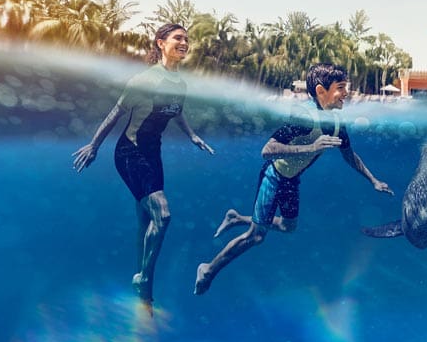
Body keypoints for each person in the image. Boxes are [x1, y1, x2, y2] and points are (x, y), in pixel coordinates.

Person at [194, 62, 393, 295]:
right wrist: (311, 147)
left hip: (292, 180)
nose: (346, 93)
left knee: (288, 227)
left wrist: (373, 180)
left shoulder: (337, 121)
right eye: (340, 87)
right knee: (257, 236)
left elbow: (348, 154)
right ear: (321, 91)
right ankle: (208, 269)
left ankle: (237, 217)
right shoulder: (303, 117)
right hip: (274, 177)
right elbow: (267, 150)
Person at [73, 23, 214, 310]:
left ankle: (144, 296)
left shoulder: (180, 84)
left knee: (146, 222)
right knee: (163, 215)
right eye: (178, 38)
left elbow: (178, 113)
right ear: (161, 43)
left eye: (187, 39)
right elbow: (116, 112)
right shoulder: (145, 79)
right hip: (130, 152)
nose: (184, 42)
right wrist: (94, 146)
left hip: (153, 154)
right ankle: (144, 277)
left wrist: (193, 136)